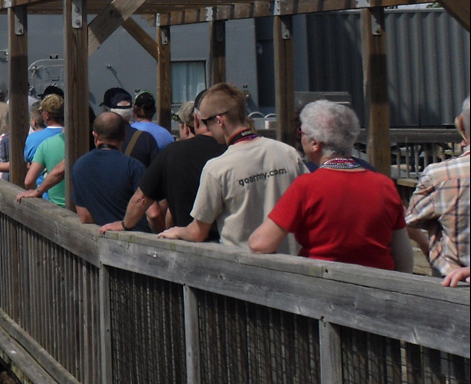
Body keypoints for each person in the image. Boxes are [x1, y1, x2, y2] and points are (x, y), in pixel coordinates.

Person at [248, 100, 413, 271]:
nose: (300, 137)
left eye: (301, 132)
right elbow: (404, 259)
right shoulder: (385, 185)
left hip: (321, 287)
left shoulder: (307, 186)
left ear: (314, 143)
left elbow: (260, 244)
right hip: (378, 290)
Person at [159, 83, 304, 249]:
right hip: (292, 266)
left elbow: (197, 232)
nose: (206, 129)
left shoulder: (217, 168)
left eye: (206, 122)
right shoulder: (288, 153)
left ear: (220, 121)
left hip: (243, 268)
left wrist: (177, 231)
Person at [102, 101, 224, 236]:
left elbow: (141, 199)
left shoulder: (173, 152)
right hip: (231, 245)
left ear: (196, 120)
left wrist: (125, 224)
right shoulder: (230, 149)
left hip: (188, 243)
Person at [405, 96, 470, 279]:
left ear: (462, 126)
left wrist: (427, 247)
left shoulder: (438, 176)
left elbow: (410, 221)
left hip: (453, 284)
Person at [72, 112, 148, 227]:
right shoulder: (134, 166)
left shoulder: (79, 165)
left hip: (101, 237)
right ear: (124, 135)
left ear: (95, 135)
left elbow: (85, 216)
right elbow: (153, 214)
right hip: (136, 238)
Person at [17, 107, 68, 208]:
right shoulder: (87, 142)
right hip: (87, 207)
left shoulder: (43, 142)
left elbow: (28, 181)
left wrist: (37, 191)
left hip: (52, 201)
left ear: (45, 115)